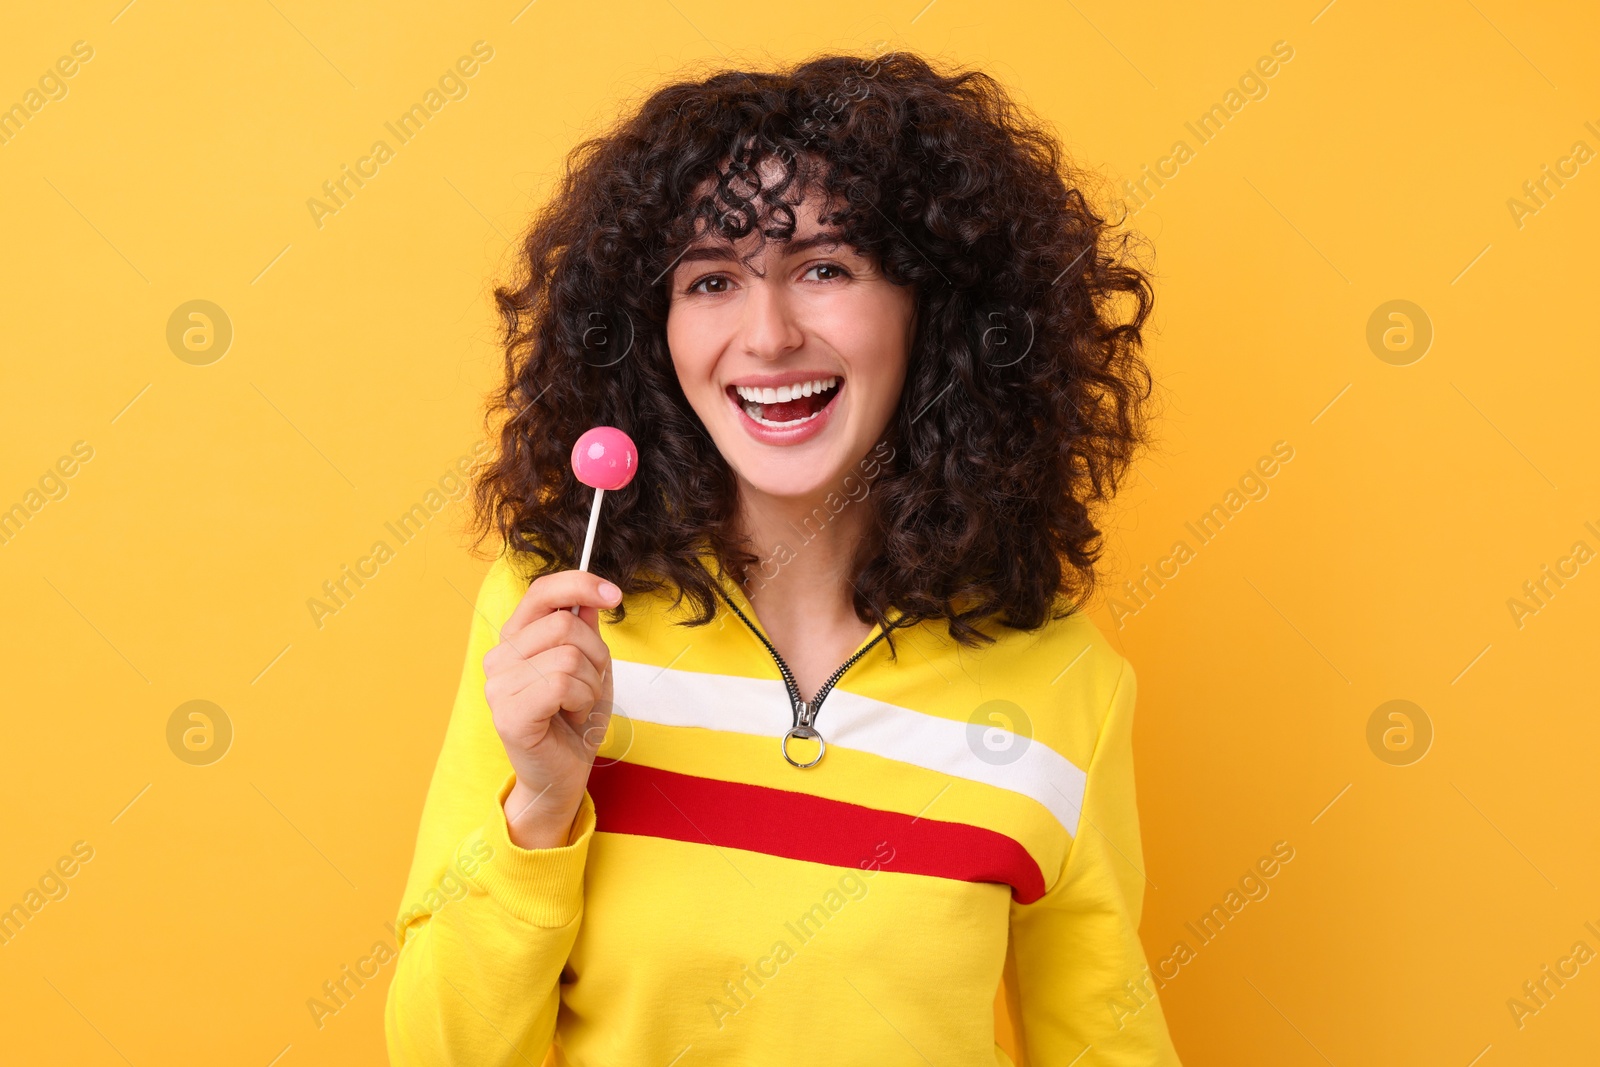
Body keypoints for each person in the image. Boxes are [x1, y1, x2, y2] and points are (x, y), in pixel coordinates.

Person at [384, 49, 1181, 1066]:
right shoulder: (556, 623)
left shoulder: (1068, 685)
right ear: (652, 330)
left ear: (930, 311)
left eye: (823, 268)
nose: (767, 335)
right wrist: (540, 805)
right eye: (711, 278)